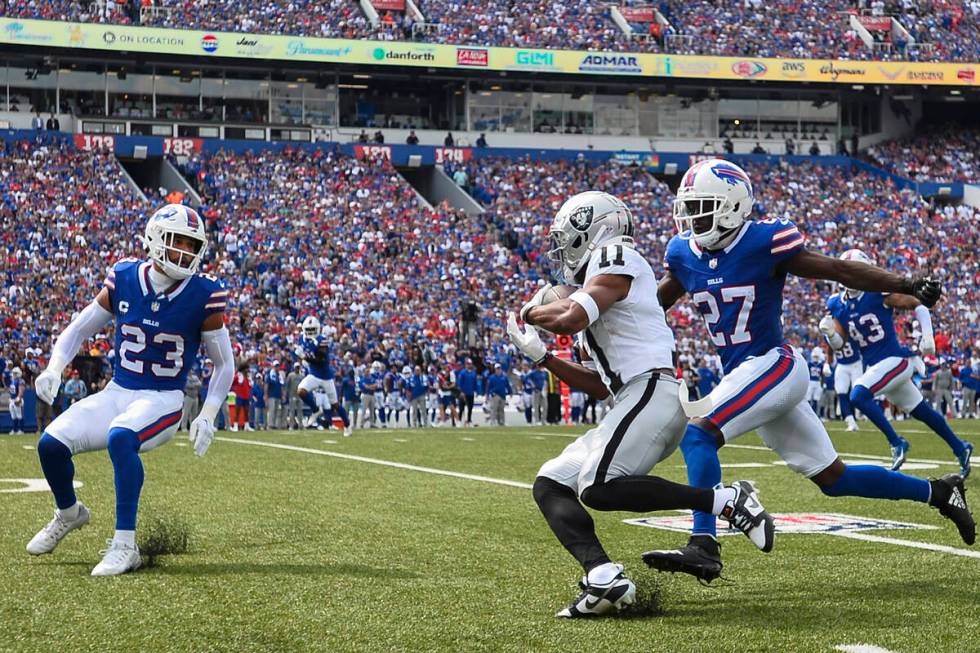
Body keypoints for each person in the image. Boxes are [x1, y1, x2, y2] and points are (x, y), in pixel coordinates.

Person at [643, 160, 975, 583]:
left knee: (698, 432)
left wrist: (905, 283)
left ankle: (703, 544)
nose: (693, 219)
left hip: (773, 364)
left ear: (732, 206)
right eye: (689, 209)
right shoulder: (683, 254)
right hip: (748, 374)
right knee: (834, 478)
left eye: (703, 207)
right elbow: (656, 305)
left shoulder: (764, 239)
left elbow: (837, 268)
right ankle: (941, 492)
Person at [508, 190, 775, 618]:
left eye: (569, 239)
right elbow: (597, 385)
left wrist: (531, 313)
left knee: (597, 485)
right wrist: (543, 357)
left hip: (652, 391)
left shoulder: (616, 255)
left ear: (594, 230)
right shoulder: (594, 288)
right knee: (551, 483)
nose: (564, 251)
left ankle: (725, 500)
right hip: (629, 399)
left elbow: (572, 317)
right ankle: (603, 577)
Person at [28, 204, 234, 576]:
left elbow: (224, 364)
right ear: (156, 239)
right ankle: (70, 512)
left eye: (193, 245)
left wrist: (207, 414)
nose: (186, 253)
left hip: (164, 398)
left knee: (120, 437)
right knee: (50, 445)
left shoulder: (204, 293)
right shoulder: (124, 278)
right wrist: (54, 367)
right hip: (118, 391)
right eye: (178, 243)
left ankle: (126, 545)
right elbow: (78, 329)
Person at [821, 249, 974, 476]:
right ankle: (961, 448)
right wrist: (830, 334)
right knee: (923, 411)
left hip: (896, 360)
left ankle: (896, 442)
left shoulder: (876, 293)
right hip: (877, 368)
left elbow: (919, 304)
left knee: (857, 395)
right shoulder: (836, 303)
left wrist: (928, 336)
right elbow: (839, 343)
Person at [296, 316, 351, 436]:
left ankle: (347, 425)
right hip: (314, 374)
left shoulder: (322, 340)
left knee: (335, 404)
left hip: (325, 376)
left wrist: (304, 358)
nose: (310, 332)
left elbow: (320, 360)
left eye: (313, 330)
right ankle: (316, 411)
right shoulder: (302, 338)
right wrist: (302, 359)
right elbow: (301, 352)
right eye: (308, 330)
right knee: (301, 391)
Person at [824, 319, 863, 431]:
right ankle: (850, 422)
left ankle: (861, 414)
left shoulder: (850, 332)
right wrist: (827, 363)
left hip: (856, 364)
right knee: (841, 393)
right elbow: (830, 351)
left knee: (857, 393)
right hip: (842, 365)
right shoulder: (829, 336)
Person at [455, 358, 477, 426]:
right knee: (461, 408)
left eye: (470, 364)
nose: (469, 365)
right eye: (467, 364)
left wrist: (475, 391)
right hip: (464, 393)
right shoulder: (463, 373)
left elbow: (474, 383)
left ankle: (469, 420)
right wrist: (461, 392)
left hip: (471, 393)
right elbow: (459, 383)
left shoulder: (473, 373)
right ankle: (459, 421)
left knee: (470, 408)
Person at [284, 362, 303, 430]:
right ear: (294, 368)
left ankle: (300, 425)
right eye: (296, 367)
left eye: (298, 367)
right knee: (292, 411)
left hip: (300, 396)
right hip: (292, 395)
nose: (297, 369)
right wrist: (285, 394)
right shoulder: (290, 375)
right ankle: (291, 425)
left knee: (300, 411)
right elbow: (287, 385)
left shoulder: (301, 376)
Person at [265, 361, 284, 430]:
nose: (277, 367)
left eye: (278, 366)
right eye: (276, 366)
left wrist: (282, 395)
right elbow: (266, 385)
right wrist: (266, 395)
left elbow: (281, 386)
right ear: (273, 366)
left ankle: (275, 424)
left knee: (277, 411)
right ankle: (270, 424)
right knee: (272, 410)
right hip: (271, 395)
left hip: (278, 395)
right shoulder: (270, 374)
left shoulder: (279, 375)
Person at [8, 367, 25, 434]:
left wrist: (19, 398)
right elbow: (11, 391)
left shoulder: (20, 380)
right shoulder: (12, 380)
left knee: (19, 415)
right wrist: (10, 398)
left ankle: (21, 430)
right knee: (13, 416)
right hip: (12, 400)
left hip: (17, 399)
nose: (14, 374)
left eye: (15, 373)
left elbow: (21, 390)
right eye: (13, 373)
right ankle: (14, 430)